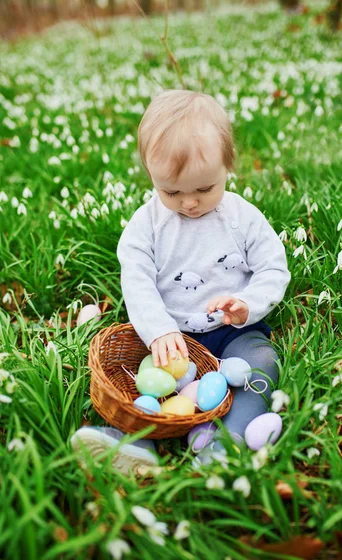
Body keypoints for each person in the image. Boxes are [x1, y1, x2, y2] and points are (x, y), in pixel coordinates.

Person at [71, 89, 291, 474]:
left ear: (228, 167)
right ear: (150, 175)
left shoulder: (243, 218)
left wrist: (248, 305)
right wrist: (157, 332)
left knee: (259, 364)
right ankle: (131, 442)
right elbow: (136, 279)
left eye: (204, 189)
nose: (189, 202)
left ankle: (225, 441)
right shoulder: (147, 226)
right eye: (171, 191)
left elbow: (274, 268)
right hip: (171, 338)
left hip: (233, 331)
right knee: (142, 380)